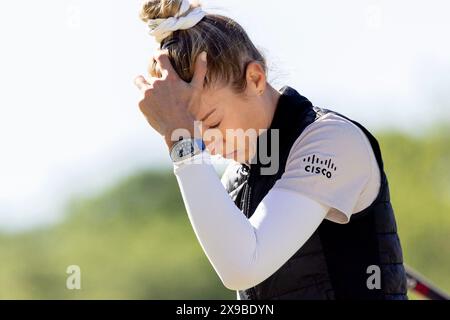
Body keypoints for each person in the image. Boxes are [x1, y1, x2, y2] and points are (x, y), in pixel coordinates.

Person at [134, 0, 408, 300]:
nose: (207, 146)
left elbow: (242, 267)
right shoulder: (233, 178)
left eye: (211, 122)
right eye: (197, 135)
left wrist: (182, 142)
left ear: (255, 78)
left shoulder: (332, 140)